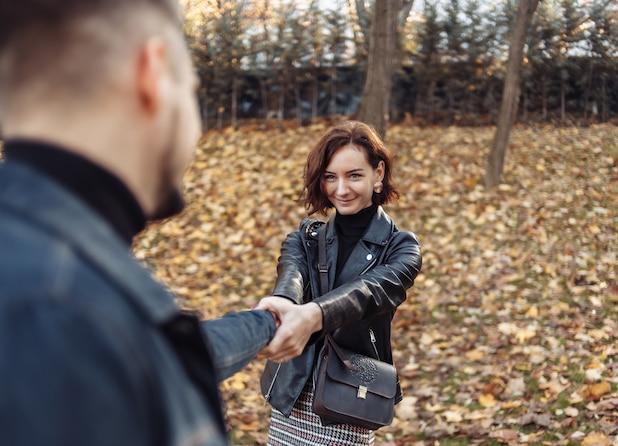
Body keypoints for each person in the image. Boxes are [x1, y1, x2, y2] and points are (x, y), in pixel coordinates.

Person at [0, 1, 320, 445]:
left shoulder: (55, 273)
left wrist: (266, 324)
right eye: (191, 91)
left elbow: (164, 351)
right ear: (153, 74)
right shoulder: (58, 311)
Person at [257, 121, 422, 445]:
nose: (341, 189)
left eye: (354, 175)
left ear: (378, 174)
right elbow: (292, 275)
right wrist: (284, 304)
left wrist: (313, 315)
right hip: (294, 389)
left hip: (351, 394)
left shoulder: (402, 248)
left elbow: (369, 293)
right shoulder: (304, 238)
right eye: (331, 177)